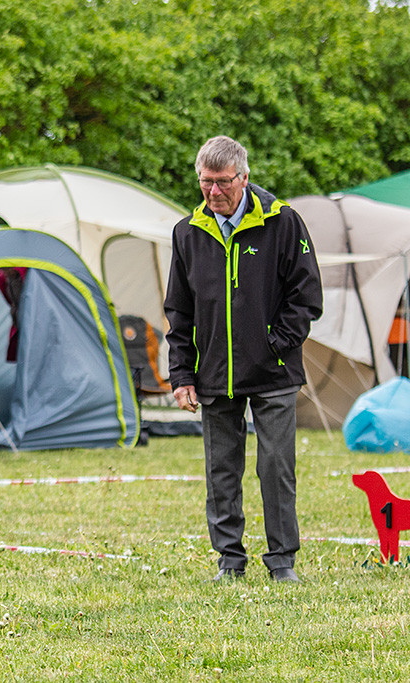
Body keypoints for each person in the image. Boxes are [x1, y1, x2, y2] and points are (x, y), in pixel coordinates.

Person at [164, 135, 322, 584]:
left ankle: (282, 561)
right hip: (214, 375)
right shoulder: (187, 233)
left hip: (274, 372)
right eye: (205, 182)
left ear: (244, 178)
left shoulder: (284, 222)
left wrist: (275, 342)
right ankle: (229, 560)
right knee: (221, 471)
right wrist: (182, 374)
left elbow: (306, 296)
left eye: (222, 182)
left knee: (275, 467)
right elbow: (179, 310)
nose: (213, 192)